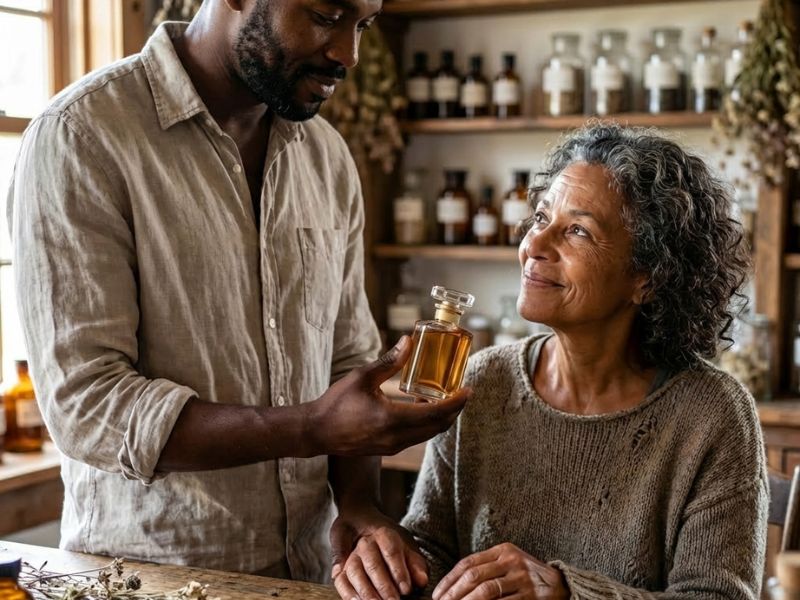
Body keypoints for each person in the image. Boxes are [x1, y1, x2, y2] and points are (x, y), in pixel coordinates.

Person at [7, 0, 468, 584]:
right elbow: (88, 405)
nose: (348, 54)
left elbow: (347, 361)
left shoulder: (327, 156)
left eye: (363, 26)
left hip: (310, 576)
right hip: (150, 580)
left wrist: (359, 504)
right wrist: (310, 427)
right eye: (326, 16)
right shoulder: (82, 136)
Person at [333, 123, 767, 600]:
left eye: (578, 231)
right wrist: (392, 564)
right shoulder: (483, 381)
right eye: (540, 218)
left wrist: (564, 591)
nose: (533, 247)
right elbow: (433, 550)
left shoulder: (713, 415)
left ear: (647, 277)